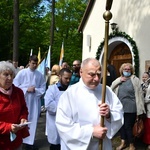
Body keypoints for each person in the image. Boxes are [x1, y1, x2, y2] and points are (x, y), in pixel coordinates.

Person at [55, 58, 124, 150]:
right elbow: (63, 125)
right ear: (81, 72)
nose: (96, 79)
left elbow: (119, 112)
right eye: (91, 74)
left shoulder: (106, 91)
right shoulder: (70, 94)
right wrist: (90, 132)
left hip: (103, 144)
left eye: (99, 74)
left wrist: (109, 115)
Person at [13, 55, 46, 150]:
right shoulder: (22, 73)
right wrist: (26, 89)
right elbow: (15, 85)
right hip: (24, 100)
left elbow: (43, 87)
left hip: (35, 101)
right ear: (29, 62)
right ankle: (22, 141)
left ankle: (30, 142)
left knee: (33, 121)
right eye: (33, 63)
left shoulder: (39, 75)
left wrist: (35, 90)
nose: (35, 65)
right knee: (23, 119)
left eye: (36, 63)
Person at [111, 63, 145, 150]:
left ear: (131, 70)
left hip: (131, 107)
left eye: (128, 69)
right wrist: (119, 81)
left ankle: (131, 144)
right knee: (121, 125)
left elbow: (140, 94)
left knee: (127, 126)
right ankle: (123, 142)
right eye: (125, 69)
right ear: (122, 70)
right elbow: (111, 89)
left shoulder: (135, 80)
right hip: (120, 107)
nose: (127, 70)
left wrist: (140, 109)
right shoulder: (118, 80)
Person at [0, 61, 29, 149]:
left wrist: (23, 118)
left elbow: (24, 109)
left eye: (12, 75)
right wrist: (8, 127)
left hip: (16, 140)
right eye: (6, 74)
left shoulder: (18, 92)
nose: (9, 78)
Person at [44, 68, 72, 150]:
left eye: (69, 78)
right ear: (60, 76)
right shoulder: (52, 89)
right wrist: (64, 109)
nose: (68, 80)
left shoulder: (71, 90)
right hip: (54, 122)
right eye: (66, 78)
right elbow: (48, 104)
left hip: (68, 124)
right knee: (55, 146)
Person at [141, 72, 150, 149]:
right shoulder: (142, 85)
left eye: (146, 77)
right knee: (145, 126)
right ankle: (145, 141)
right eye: (143, 77)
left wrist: (143, 100)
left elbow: (148, 98)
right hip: (144, 109)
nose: (144, 78)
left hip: (149, 108)